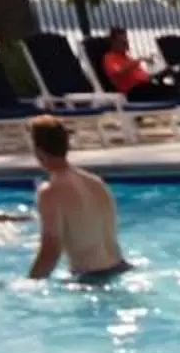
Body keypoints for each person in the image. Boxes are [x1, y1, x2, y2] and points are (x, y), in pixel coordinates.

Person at [26, 116, 127, 282]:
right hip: (121, 268)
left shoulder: (50, 192)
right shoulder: (95, 181)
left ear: (38, 151)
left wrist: (29, 284)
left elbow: (50, 250)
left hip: (92, 279)